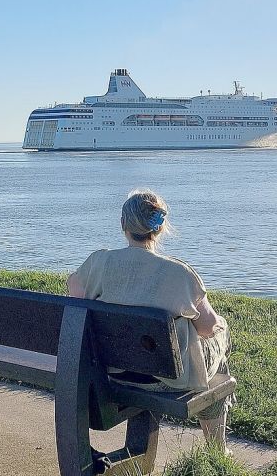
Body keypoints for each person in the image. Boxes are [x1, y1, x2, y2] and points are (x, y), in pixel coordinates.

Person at [67, 188, 234, 454]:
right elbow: (207, 327)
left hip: (113, 372)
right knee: (221, 333)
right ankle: (218, 450)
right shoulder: (178, 273)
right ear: (160, 226)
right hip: (166, 379)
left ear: (124, 225)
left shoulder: (99, 262)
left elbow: (75, 296)